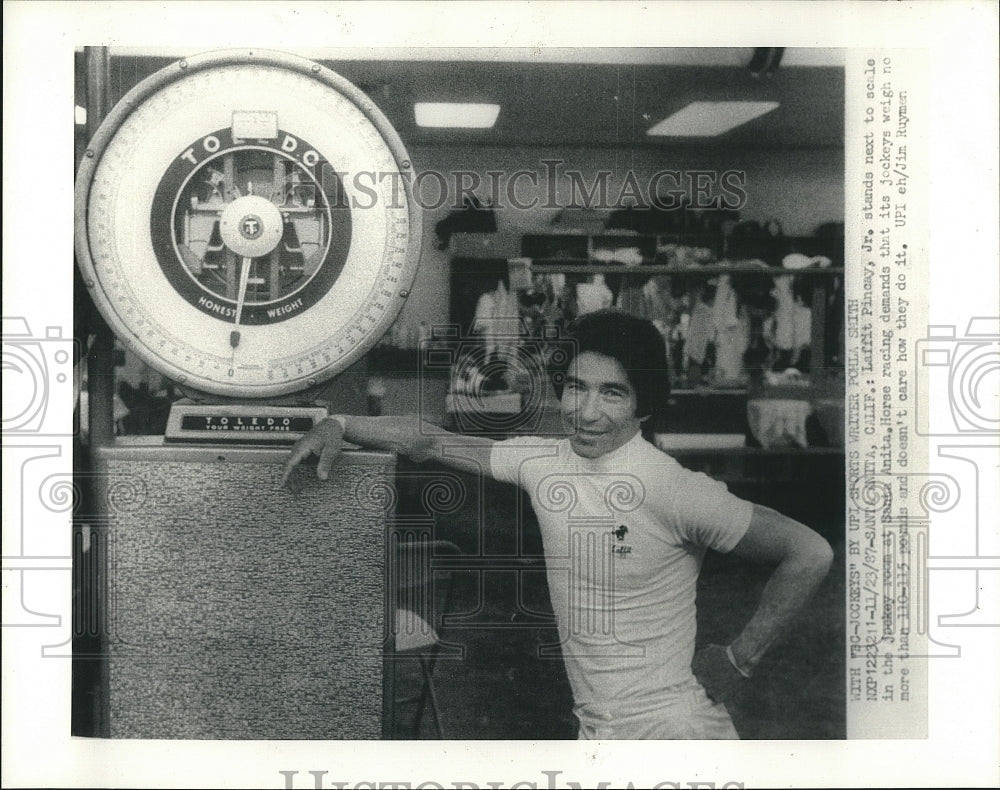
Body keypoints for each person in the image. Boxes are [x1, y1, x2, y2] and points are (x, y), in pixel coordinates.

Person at [281, 309, 833, 739]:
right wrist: (341, 423)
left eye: (611, 392)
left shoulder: (673, 487)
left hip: (672, 731)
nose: (587, 411)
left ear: (644, 405)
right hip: (596, 731)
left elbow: (809, 552)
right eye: (576, 387)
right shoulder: (543, 462)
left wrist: (739, 659)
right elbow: (428, 439)